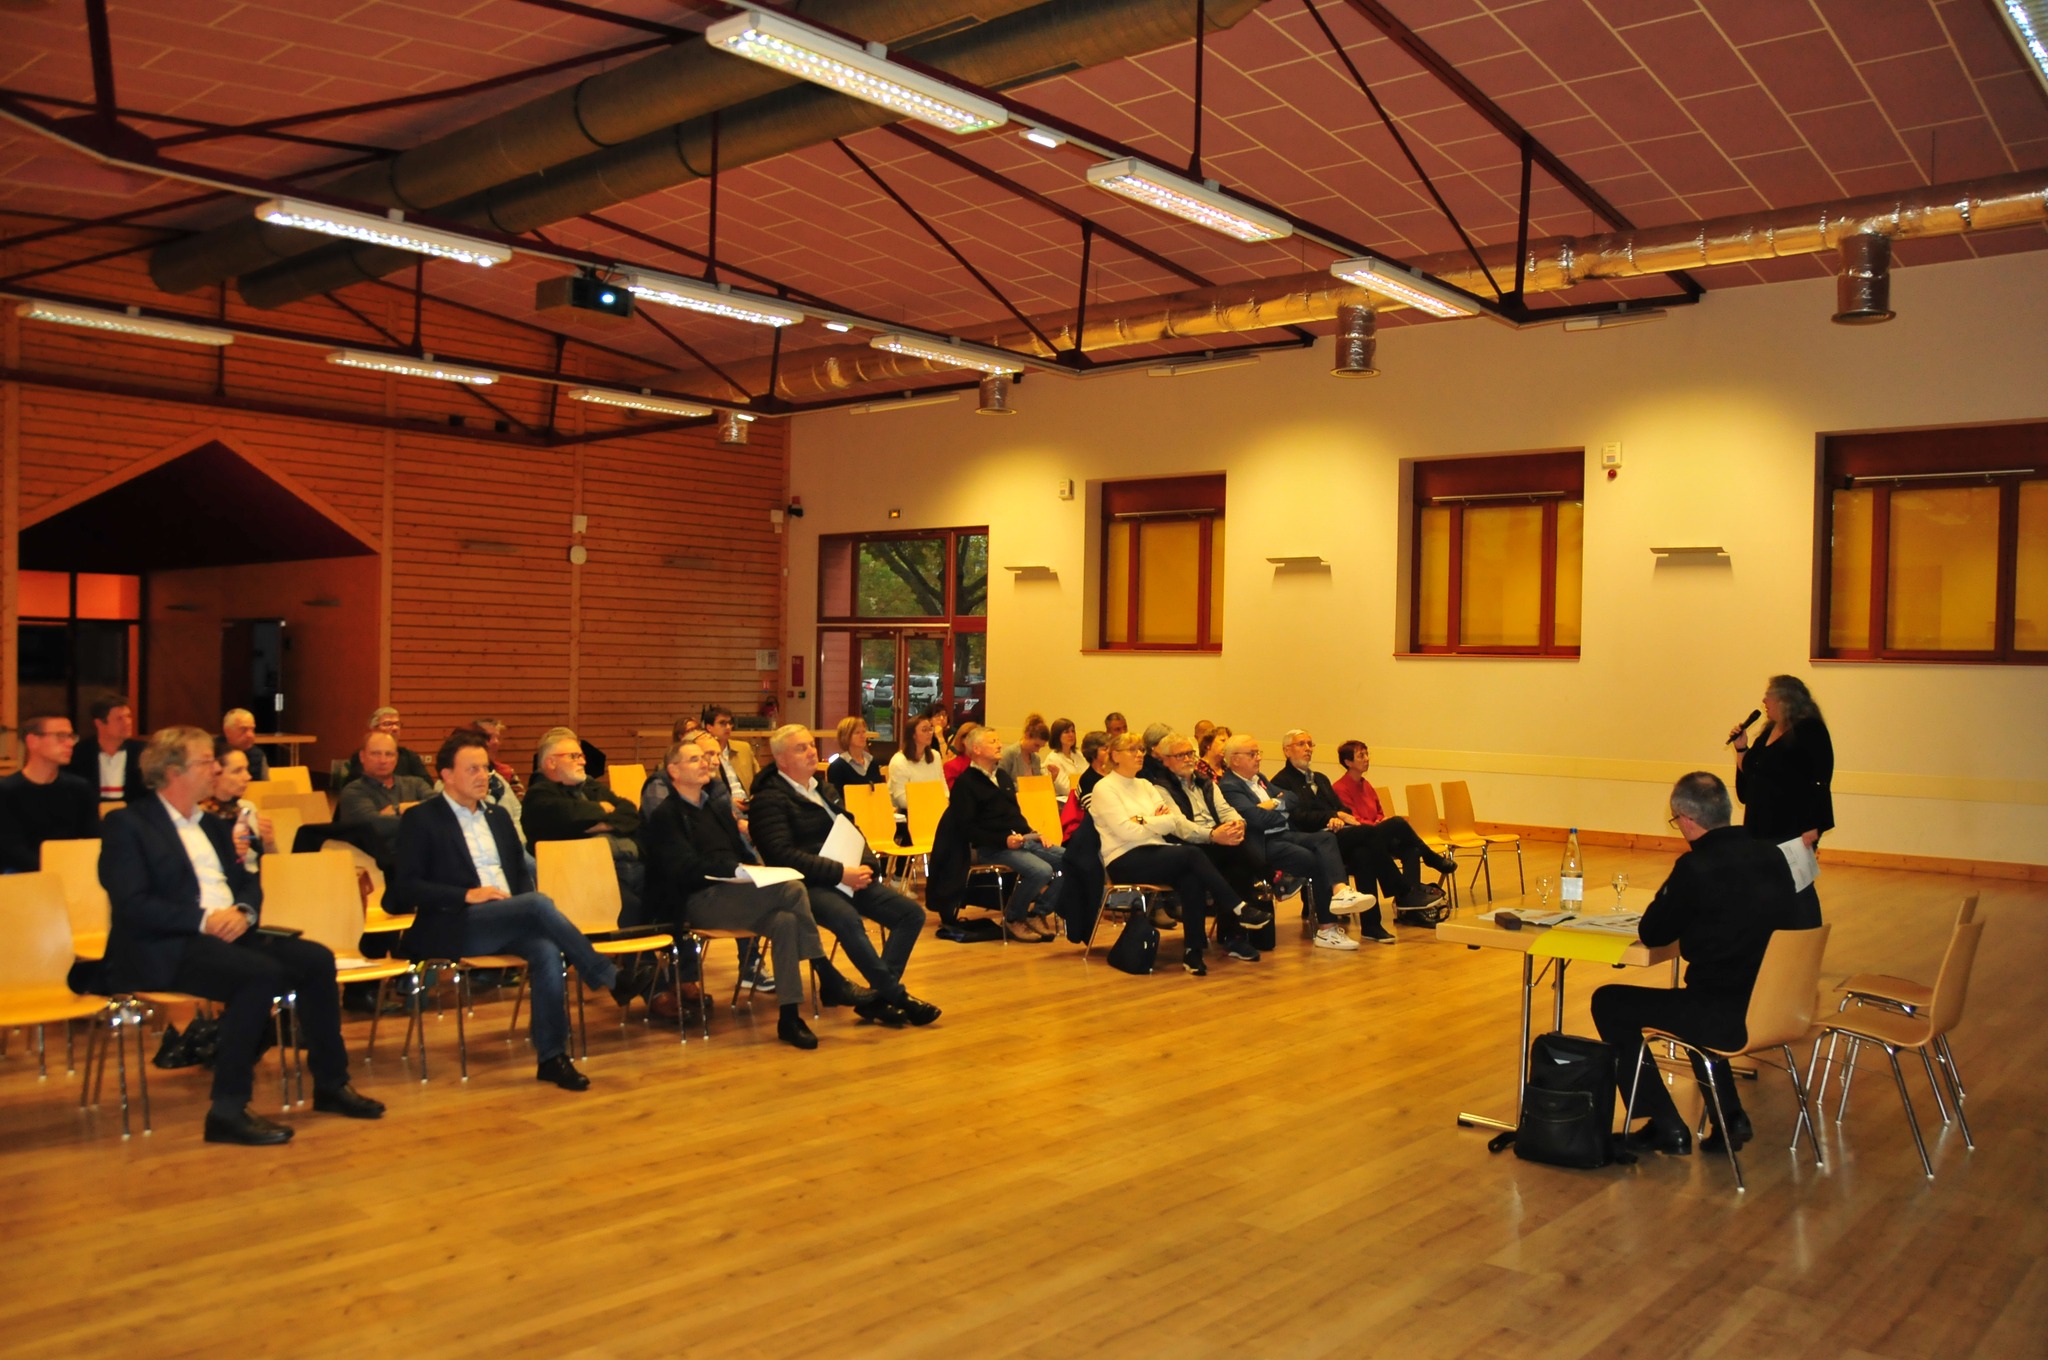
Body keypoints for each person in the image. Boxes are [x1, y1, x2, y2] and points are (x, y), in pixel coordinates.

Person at [93, 726, 384, 1144]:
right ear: (173, 771)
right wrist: (203, 920)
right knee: (258, 974)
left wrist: (244, 912)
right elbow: (131, 903)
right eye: (205, 762)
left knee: (316, 959)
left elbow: (247, 880)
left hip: (228, 933)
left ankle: (331, 1084)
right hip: (163, 944)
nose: (215, 769)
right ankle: (226, 1110)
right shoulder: (128, 824)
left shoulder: (213, 824)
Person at [388, 731, 622, 1091]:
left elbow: (519, 873)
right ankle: (606, 975)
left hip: (506, 918)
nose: (483, 776)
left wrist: (519, 908)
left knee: (546, 950)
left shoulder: (497, 816)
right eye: (472, 769)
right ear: (446, 775)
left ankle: (552, 1057)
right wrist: (466, 894)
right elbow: (404, 888)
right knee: (538, 903)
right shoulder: (423, 819)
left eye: (485, 768)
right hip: (453, 922)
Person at [1592, 772, 1799, 1156]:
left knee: (1609, 1002)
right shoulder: (1773, 855)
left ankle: (1664, 1123)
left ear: (1687, 820)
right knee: (1691, 1004)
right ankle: (1729, 1117)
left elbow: (1653, 932)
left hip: (1725, 1016)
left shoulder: (1696, 866)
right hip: (1777, 1006)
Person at [747, 724, 939, 1028]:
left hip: (848, 875)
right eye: (801, 748)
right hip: (806, 884)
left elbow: (853, 830)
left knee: (911, 914)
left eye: (811, 745)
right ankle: (897, 996)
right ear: (781, 759)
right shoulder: (768, 799)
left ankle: (878, 999)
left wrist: (868, 865)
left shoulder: (823, 789)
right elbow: (781, 855)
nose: (811, 752)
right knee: (847, 918)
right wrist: (839, 873)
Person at [641, 737, 826, 1049]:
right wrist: (733, 870)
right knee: (793, 888)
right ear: (673, 770)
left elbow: (738, 852)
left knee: (786, 921)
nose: (705, 763)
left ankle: (790, 1017)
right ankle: (825, 970)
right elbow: (683, 869)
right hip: (695, 901)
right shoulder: (666, 815)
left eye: (705, 758)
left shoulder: (715, 809)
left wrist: (751, 871)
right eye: (694, 759)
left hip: (734, 895)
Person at [1090, 731, 1272, 976]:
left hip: (1157, 851)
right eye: (1132, 750)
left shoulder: (1145, 785)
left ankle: (1193, 951)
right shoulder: (1104, 788)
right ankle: (1239, 907)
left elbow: (1169, 823)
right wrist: (1153, 820)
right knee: (1191, 855)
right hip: (1124, 858)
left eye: (1141, 749)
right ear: (1115, 756)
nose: (1139, 754)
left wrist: (1142, 820)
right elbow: (1125, 831)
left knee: (1191, 877)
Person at [1214, 735, 1379, 948]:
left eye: (1258, 753)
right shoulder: (1229, 786)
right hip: (1264, 843)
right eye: (1252, 754)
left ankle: (1340, 891)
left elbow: (1293, 798)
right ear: (1235, 759)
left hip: (1284, 834)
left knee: (1326, 838)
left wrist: (1274, 804)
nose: (1258, 758)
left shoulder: (1259, 778)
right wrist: (1281, 811)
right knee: (1315, 859)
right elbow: (1256, 819)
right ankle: (1327, 929)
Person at [1270, 729, 1453, 921]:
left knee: (1364, 853)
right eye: (1301, 744)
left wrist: (1339, 817)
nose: (1308, 748)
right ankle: (1405, 890)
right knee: (1386, 827)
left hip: (1340, 833)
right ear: (1286, 750)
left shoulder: (1320, 778)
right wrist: (1331, 816)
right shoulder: (1281, 781)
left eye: (1310, 744)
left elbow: (1344, 810)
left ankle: (1372, 926)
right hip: (1316, 840)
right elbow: (1298, 818)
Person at [1145, 732, 1286, 951]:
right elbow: (1178, 826)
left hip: (1217, 841)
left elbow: (1225, 809)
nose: (1188, 759)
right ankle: (1274, 879)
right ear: (1165, 760)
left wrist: (1238, 824)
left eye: (1190, 753)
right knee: (1234, 852)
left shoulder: (1205, 783)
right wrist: (1212, 835)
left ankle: (1234, 937)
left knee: (1237, 864)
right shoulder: (1160, 788)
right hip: (1188, 846)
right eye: (1181, 755)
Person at [1732, 674, 1832, 930]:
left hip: (1794, 825)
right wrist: (1741, 748)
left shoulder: (1810, 731)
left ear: (1786, 700)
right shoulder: (1768, 731)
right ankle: (1771, 937)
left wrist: (1813, 824)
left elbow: (1820, 779)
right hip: (1760, 823)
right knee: (1763, 884)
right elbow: (1752, 773)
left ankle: (1808, 939)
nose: (1764, 701)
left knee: (1798, 885)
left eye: (1770, 696)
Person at [952, 726, 1065, 942]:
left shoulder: (1002, 777)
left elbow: (1014, 814)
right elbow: (967, 828)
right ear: (976, 749)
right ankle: (1013, 918)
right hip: (991, 847)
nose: (999, 745)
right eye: (993, 741)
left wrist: (1033, 833)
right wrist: (1003, 840)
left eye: (998, 740)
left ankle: (1038, 912)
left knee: (1072, 860)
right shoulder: (966, 783)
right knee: (1041, 871)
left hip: (1020, 841)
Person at [522, 730, 644, 925]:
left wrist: (599, 824)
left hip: (630, 865)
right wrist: (602, 810)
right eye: (574, 756)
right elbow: (570, 817)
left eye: (581, 756)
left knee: (670, 892)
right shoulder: (539, 795)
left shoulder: (590, 787)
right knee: (631, 907)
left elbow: (630, 813)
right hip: (584, 877)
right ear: (551, 762)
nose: (583, 762)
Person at [0, 713, 99, 872]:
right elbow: (11, 849)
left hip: (73, 870)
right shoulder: (7, 791)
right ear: (33, 741)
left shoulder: (80, 789)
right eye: (61, 736)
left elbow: (92, 838)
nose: (69, 743)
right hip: (23, 875)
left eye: (71, 737)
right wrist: (53, 868)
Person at [336, 730, 435, 867]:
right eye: (376, 754)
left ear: (396, 758)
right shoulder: (353, 791)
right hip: (378, 866)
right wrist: (426, 817)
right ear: (362, 757)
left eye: (389, 754)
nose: (383, 760)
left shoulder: (416, 783)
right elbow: (374, 826)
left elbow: (441, 807)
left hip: (426, 860)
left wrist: (399, 809)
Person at [199, 738, 275, 857]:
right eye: (237, 771)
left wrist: (268, 842)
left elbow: (270, 862)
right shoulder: (201, 815)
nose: (248, 777)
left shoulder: (246, 808)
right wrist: (231, 849)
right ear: (215, 773)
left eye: (246, 769)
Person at [68, 694, 147, 804]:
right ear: (99, 723)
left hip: (133, 811)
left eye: (129, 717)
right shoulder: (79, 752)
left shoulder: (143, 752)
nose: (127, 722)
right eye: (119, 719)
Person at [337, 708, 429, 791]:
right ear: (374, 729)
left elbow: (427, 784)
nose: (395, 728)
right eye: (388, 724)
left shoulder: (410, 756)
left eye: (397, 724)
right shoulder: (364, 755)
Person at [887, 714, 946, 832]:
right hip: (908, 815)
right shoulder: (899, 761)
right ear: (913, 735)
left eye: (930, 729)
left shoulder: (935, 756)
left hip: (934, 810)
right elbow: (902, 800)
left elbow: (943, 788)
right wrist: (930, 803)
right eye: (924, 730)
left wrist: (944, 801)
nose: (929, 733)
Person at [702, 705, 759, 820]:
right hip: (722, 809)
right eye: (722, 723)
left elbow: (760, 778)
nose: (728, 727)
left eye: (730, 723)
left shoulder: (744, 748)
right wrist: (730, 802)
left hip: (751, 806)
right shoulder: (703, 753)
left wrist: (755, 798)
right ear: (709, 727)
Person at [996, 713, 1069, 800]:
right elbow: (1000, 782)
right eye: (1036, 745)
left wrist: (1051, 779)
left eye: (1041, 747)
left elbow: (1038, 786)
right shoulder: (1010, 754)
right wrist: (1026, 787)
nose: (1038, 750)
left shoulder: (1036, 759)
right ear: (1027, 735)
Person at [825, 716, 884, 794]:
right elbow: (836, 797)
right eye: (857, 733)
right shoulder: (837, 767)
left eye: (864, 732)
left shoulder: (873, 763)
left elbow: (879, 792)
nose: (862, 736)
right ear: (846, 737)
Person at [1332, 740, 1386, 824]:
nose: (1367, 759)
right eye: (1361, 756)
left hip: (1375, 827)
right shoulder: (1340, 788)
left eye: (1367, 754)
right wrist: (1376, 825)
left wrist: (1379, 821)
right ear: (1348, 762)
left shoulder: (1366, 784)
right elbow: (1353, 819)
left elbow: (1379, 812)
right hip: (1361, 829)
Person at [474, 717, 525, 797]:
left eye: (497, 737)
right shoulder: (465, 774)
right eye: (488, 737)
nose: (496, 742)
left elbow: (520, 801)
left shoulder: (507, 772)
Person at [221, 708, 270, 781]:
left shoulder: (258, 755)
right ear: (227, 731)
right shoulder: (214, 752)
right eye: (243, 729)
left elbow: (264, 785)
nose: (250, 735)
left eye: (252, 729)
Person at [1042, 718, 1085, 794]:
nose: (1071, 735)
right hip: (1065, 798)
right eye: (1066, 732)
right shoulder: (1053, 758)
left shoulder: (1078, 754)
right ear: (1057, 735)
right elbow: (1065, 788)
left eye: (1073, 731)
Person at [1077, 730, 1112, 805]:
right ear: (1092, 752)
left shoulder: (1116, 773)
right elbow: (1092, 809)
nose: (1109, 752)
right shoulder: (1087, 779)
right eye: (1105, 749)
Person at [942, 722, 980, 788]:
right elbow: (955, 792)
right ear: (963, 740)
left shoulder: (987, 763)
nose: (978, 742)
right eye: (974, 738)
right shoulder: (952, 766)